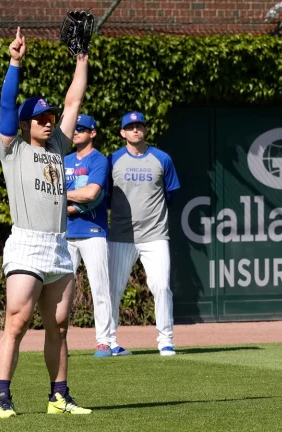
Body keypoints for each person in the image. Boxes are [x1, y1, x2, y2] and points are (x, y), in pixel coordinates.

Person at [0, 27, 92, 418]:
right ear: (25, 123)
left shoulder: (57, 148)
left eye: (50, 117)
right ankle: (1, 398)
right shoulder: (12, 149)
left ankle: (59, 397)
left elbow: (74, 99)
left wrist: (81, 60)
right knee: (16, 322)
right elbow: (6, 105)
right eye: (40, 118)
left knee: (61, 325)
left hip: (58, 245)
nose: (49, 121)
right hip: (27, 243)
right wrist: (15, 61)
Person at [106, 111, 181, 357]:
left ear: (146, 130)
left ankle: (166, 340)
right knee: (114, 289)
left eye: (139, 126)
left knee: (161, 287)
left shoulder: (162, 159)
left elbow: (171, 194)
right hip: (121, 236)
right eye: (130, 126)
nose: (135, 130)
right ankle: (108, 341)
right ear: (122, 132)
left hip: (155, 235)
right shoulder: (113, 160)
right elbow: (105, 196)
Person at [64, 114, 114, 358]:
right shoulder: (64, 160)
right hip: (66, 233)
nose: (76, 132)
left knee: (100, 288)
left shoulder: (99, 160)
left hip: (93, 232)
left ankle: (104, 342)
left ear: (92, 133)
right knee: (60, 292)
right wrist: (74, 195)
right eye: (75, 128)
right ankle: (58, 340)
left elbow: (91, 194)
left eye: (82, 129)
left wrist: (65, 196)